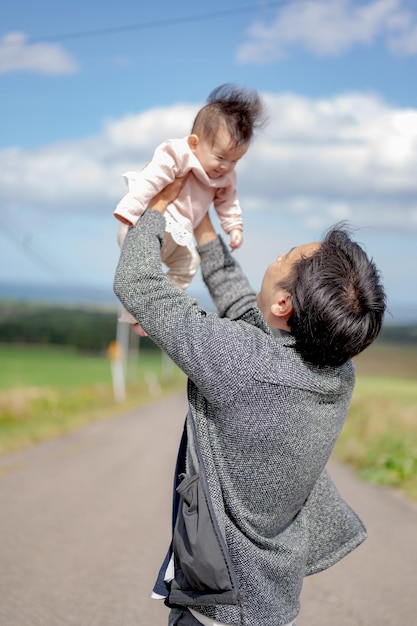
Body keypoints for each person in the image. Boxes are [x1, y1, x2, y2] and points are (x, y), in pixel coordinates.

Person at [113, 177, 386, 626]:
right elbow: (244, 307)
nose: (276, 256)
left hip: (219, 605)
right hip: (271, 600)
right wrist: (203, 227)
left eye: (285, 257)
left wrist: (157, 206)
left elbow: (136, 282)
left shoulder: (243, 362)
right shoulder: (337, 371)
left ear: (283, 303)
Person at [113, 84, 266, 336]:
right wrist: (130, 209)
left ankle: (146, 316)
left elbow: (228, 203)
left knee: (190, 263)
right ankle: (139, 305)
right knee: (141, 273)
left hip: (180, 234)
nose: (226, 167)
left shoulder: (225, 177)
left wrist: (234, 227)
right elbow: (151, 179)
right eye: (220, 157)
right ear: (195, 143)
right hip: (147, 224)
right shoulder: (179, 153)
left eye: (235, 161)